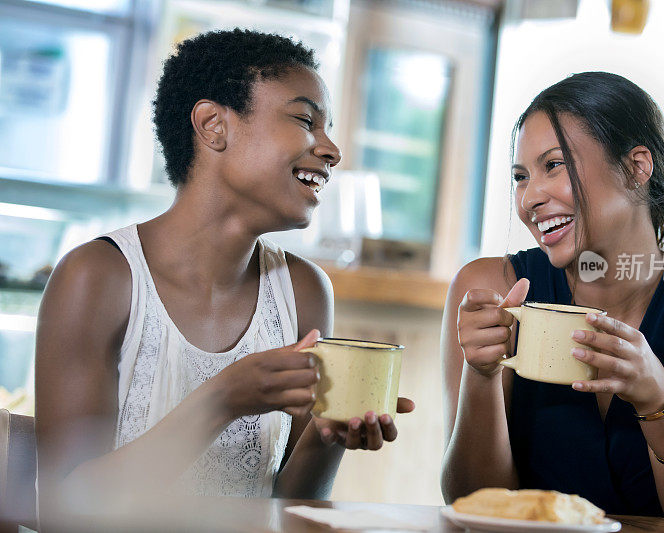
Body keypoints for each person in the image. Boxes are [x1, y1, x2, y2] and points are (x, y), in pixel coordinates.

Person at [35, 29, 413, 526]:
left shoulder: (303, 290)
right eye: (306, 120)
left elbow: (288, 513)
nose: (332, 150)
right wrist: (221, 400)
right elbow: (65, 516)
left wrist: (326, 435)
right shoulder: (98, 277)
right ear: (214, 125)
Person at [440, 71, 664, 530]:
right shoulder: (489, 288)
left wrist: (657, 396)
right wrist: (480, 375)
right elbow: (470, 501)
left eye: (554, 165)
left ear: (638, 166)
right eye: (521, 176)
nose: (530, 198)